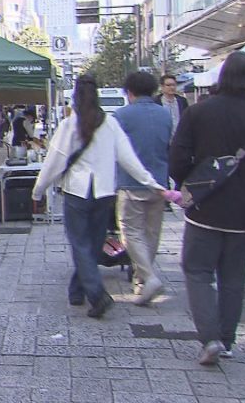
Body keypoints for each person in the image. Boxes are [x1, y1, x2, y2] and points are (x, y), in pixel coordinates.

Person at [171, 51, 245, 365]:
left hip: (204, 210)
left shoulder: (197, 112)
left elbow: (177, 159)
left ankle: (209, 338)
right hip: (244, 215)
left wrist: (191, 184)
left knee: (197, 272)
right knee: (233, 279)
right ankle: (227, 340)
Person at [31, 74, 170, 319]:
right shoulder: (110, 124)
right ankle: (77, 290)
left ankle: (97, 295)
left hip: (76, 192)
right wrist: (152, 183)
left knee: (81, 245)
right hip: (105, 192)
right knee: (93, 245)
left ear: (75, 97)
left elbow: (54, 162)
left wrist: (38, 191)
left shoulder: (69, 125)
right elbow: (129, 159)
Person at [113, 71, 172, 305]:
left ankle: (148, 277)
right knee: (151, 234)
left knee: (130, 232)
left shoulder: (121, 116)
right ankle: (141, 283)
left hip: (131, 183)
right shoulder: (165, 115)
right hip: (159, 183)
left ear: (129, 92)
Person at [155, 74, 189, 140]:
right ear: (162, 87)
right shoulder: (156, 102)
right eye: (168, 85)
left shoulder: (182, 101)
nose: (172, 87)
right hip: (163, 139)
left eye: (174, 85)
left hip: (179, 138)